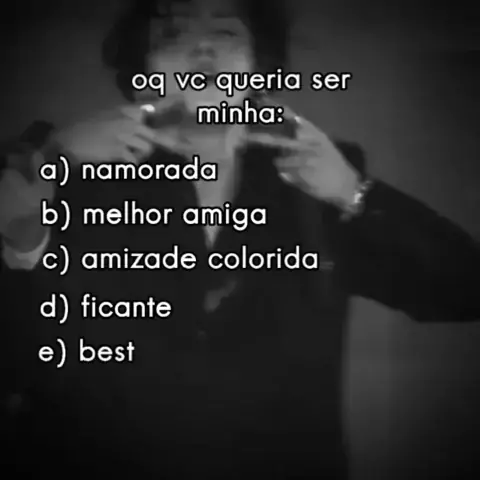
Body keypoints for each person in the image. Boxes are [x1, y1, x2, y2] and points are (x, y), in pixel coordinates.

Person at [0, 0, 478, 478]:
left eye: (226, 33)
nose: (202, 49)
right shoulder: (69, 172)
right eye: (174, 35)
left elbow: (463, 288)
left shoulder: (316, 179)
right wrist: (41, 188)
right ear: (143, 72)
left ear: (258, 68)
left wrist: (354, 192)